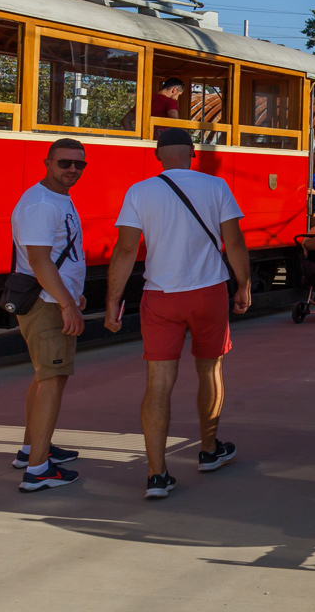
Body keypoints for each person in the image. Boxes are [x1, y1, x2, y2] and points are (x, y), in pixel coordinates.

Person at [104, 127, 251, 501]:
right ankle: (208, 449)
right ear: (192, 153)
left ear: (157, 155)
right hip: (208, 292)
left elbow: (124, 252)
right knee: (210, 369)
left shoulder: (139, 191)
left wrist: (113, 302)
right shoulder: (215, 187)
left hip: (160, 296)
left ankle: (157, 475)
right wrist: (244, 285)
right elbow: (233, 241)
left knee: (158, 382)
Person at [11, 138, 89, 491]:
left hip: (52, 299)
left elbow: (62, 253)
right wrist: (66, 303)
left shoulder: (58, 198)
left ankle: (32, 450)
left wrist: (74, 292)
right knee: (53, 380)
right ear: (47, 162)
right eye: (65, 163)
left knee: (44, 377)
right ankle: (39, 470)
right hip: (46, 303)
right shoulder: (42, 203)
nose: (72, 169)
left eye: (79, 164)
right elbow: (40, 260)